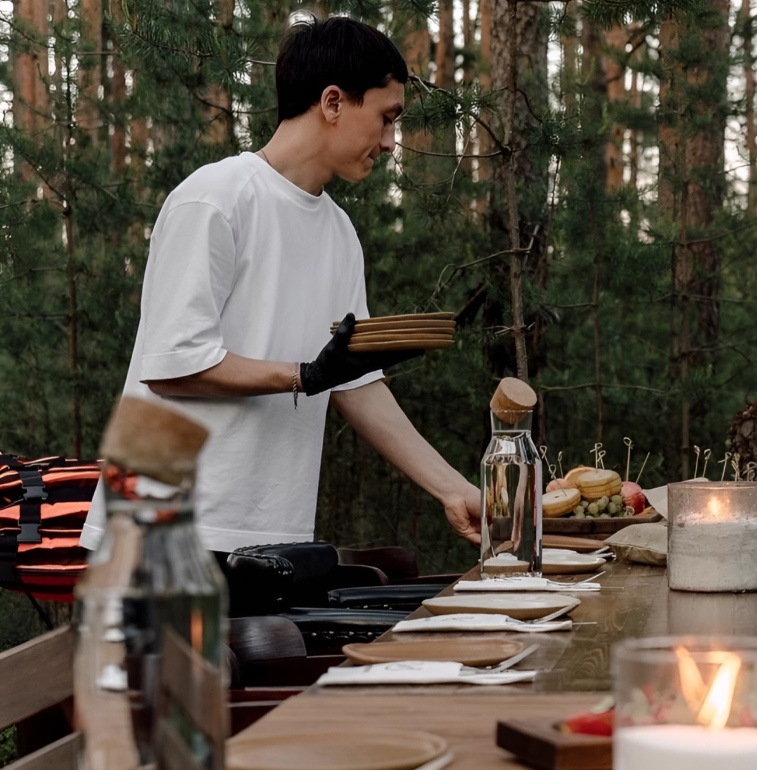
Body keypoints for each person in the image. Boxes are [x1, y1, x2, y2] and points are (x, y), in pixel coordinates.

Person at [81, 17, 481, 575]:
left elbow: (355, 383)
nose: (392, 142)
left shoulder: (339, 232)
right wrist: (303, 375)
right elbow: (173, 366)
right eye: (387, 118)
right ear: (334, 102)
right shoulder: (216, 199)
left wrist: (454, 489)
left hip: (271, 539)